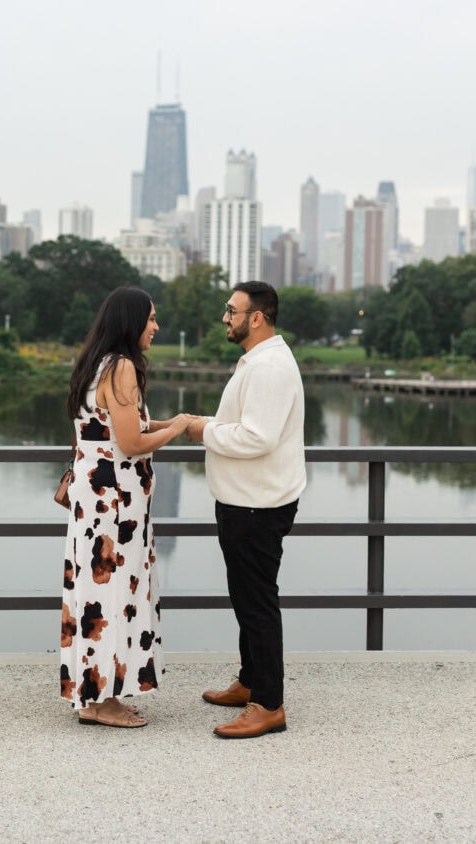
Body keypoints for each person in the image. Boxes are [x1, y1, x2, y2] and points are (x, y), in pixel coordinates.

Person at [61, 286, 191, 728]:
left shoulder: (97, 363)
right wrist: (175, 432)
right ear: (132, 321)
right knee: (113, 594)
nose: (156, 326)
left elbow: (122, 427)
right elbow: (132, 443)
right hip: (114, 506)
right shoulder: (122, 368)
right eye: (151, 318)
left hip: (96, 501)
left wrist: (173, 422)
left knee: (98, 593)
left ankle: (96, 696)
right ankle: (103, 702)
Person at [186, 281, 306, 739]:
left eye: (232, 310)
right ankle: (250, 680)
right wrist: (211, 425)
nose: (225, 317)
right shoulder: (259, 362)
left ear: (257, 317)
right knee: (246, 596)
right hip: (245, 502)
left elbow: (258, 437)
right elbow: (247, 426)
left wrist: (202, 430)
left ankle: (269, 704)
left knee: (257, 603)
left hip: (257, 506)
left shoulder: (270, 367)